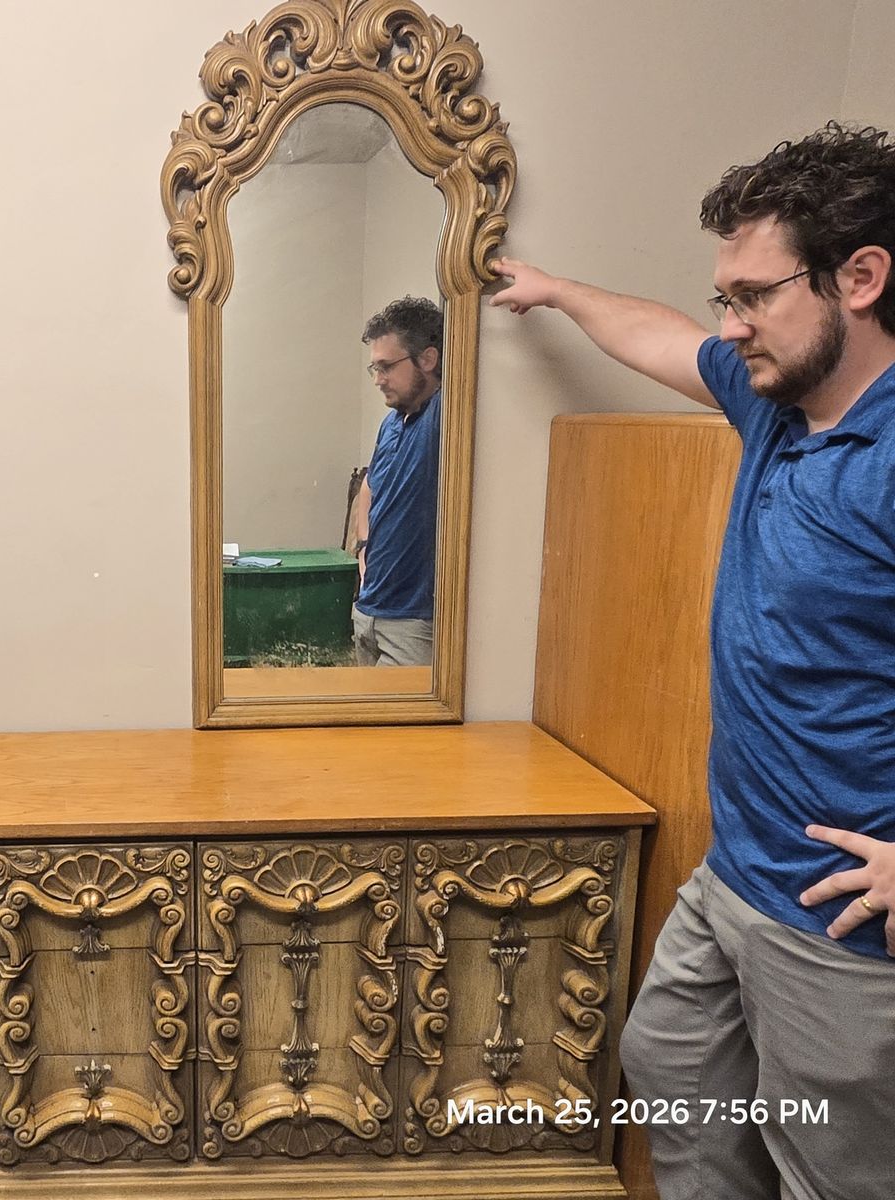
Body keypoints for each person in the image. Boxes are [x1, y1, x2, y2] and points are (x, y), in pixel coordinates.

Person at [491, 122, 895, 1200]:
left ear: (859, 278)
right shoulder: (778, 409)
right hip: (737, 874)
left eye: (754, 295)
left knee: (829, 1169)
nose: (732, 324)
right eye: (726, 297)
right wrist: (556, 289)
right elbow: (660, 338)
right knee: (668, 1063)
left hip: (839, 927)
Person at [351, 296, 442, 667]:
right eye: (373, 368)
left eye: (386, 366)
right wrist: (362, 547)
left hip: (413, 621)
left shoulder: (445, 416)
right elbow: (369, 487)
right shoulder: (390, 424)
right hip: (368, 610)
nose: (377, 380)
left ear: (428, 358)